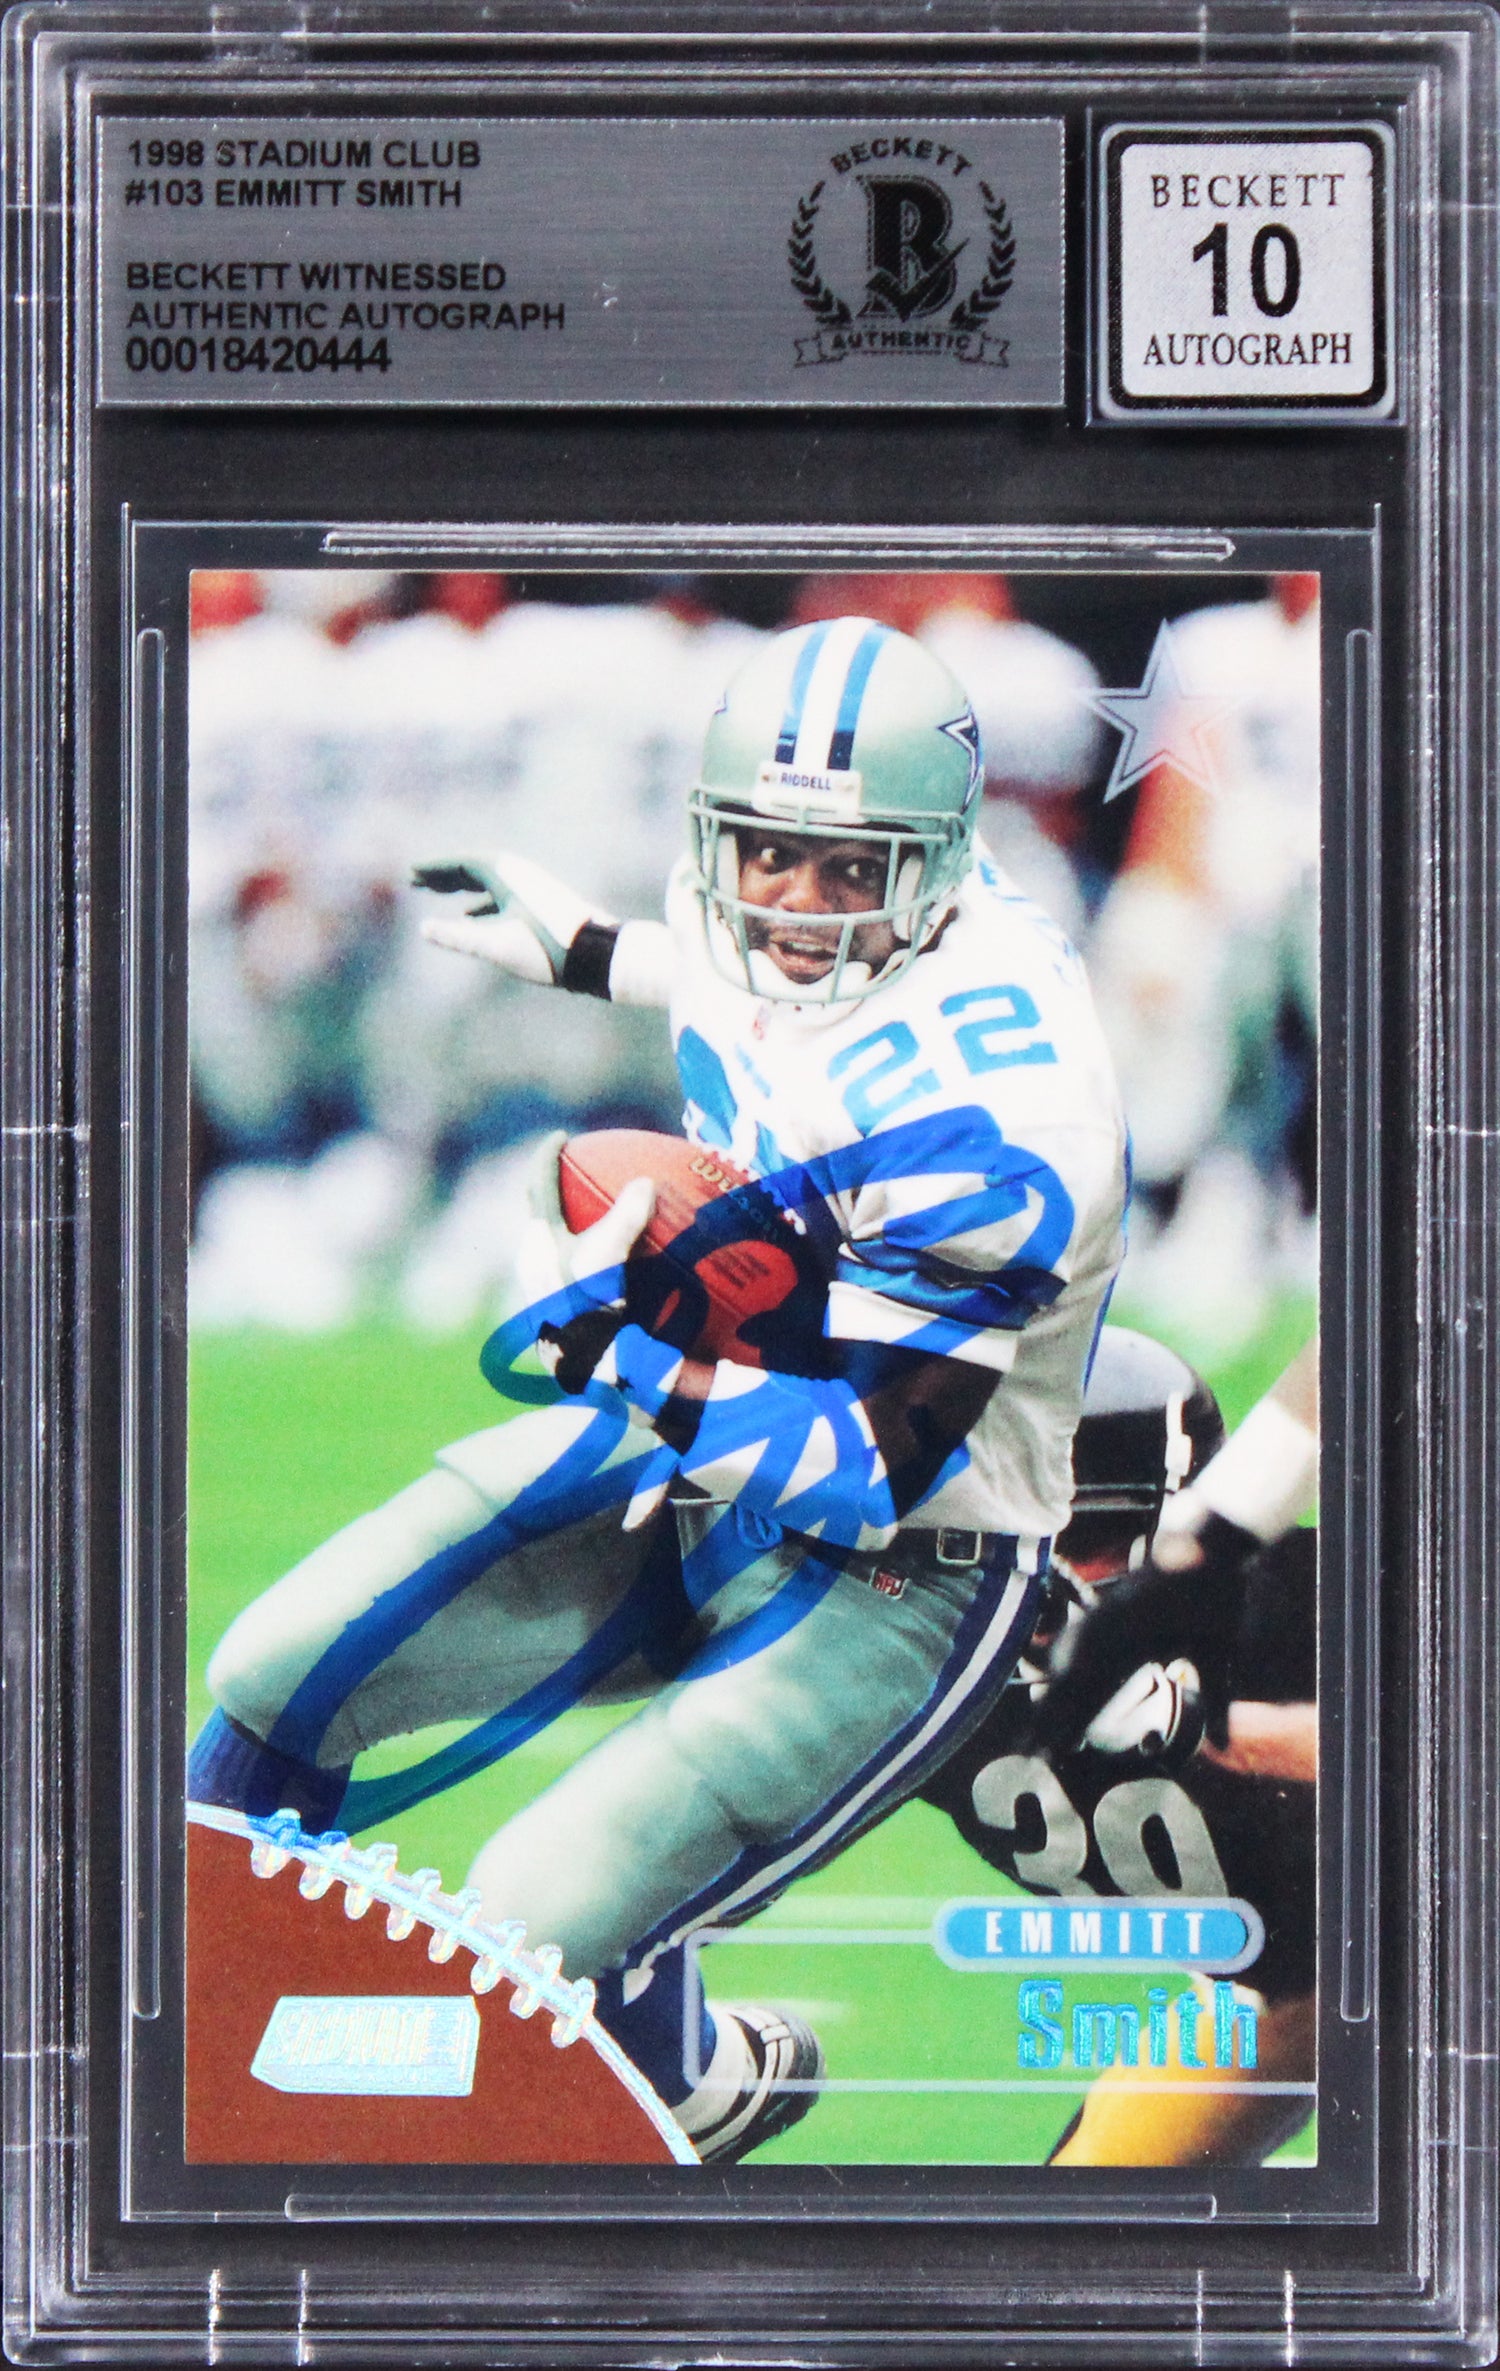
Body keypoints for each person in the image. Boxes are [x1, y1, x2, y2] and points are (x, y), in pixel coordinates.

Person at [187, 617, 1128, 2161]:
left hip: (905, 1570)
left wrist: (617, 1345)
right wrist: (588, 950)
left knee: (532, 1931)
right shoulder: (794, 909)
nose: (795, 902)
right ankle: (209, 2092)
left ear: (940, 869)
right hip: (704, 1439)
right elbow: (753, 971)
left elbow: (868, 1469)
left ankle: (640, 2108)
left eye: (849, 869)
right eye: (767, 853)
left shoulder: (1003, 1123)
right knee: (276, 1671)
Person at [917, 1327, 1318, 2166]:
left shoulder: (1307, 1606)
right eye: (1007, 1532)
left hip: (1426, 1954)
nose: (1039, 1580)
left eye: (1083, 1542)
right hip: (1285, 1992)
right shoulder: (911, 1652)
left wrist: (1224, 1730)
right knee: (1080, 2214)